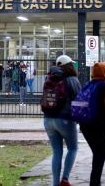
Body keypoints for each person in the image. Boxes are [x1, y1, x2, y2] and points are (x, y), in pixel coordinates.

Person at [42, 55, 81, 186]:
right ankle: (65, 179)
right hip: (65, 119)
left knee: (57, 152)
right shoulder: (72, 79)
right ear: (69, 66)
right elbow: (79, 100)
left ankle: (55, 184)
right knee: (73, 148)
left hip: (48, 119)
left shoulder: (49, 78)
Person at [79, 62, 105, 186]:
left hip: (85, 127)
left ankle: (95, 182)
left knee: (97, 155)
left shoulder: (87, 85)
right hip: (100, 128)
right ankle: (94, 183)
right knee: (99, 159)